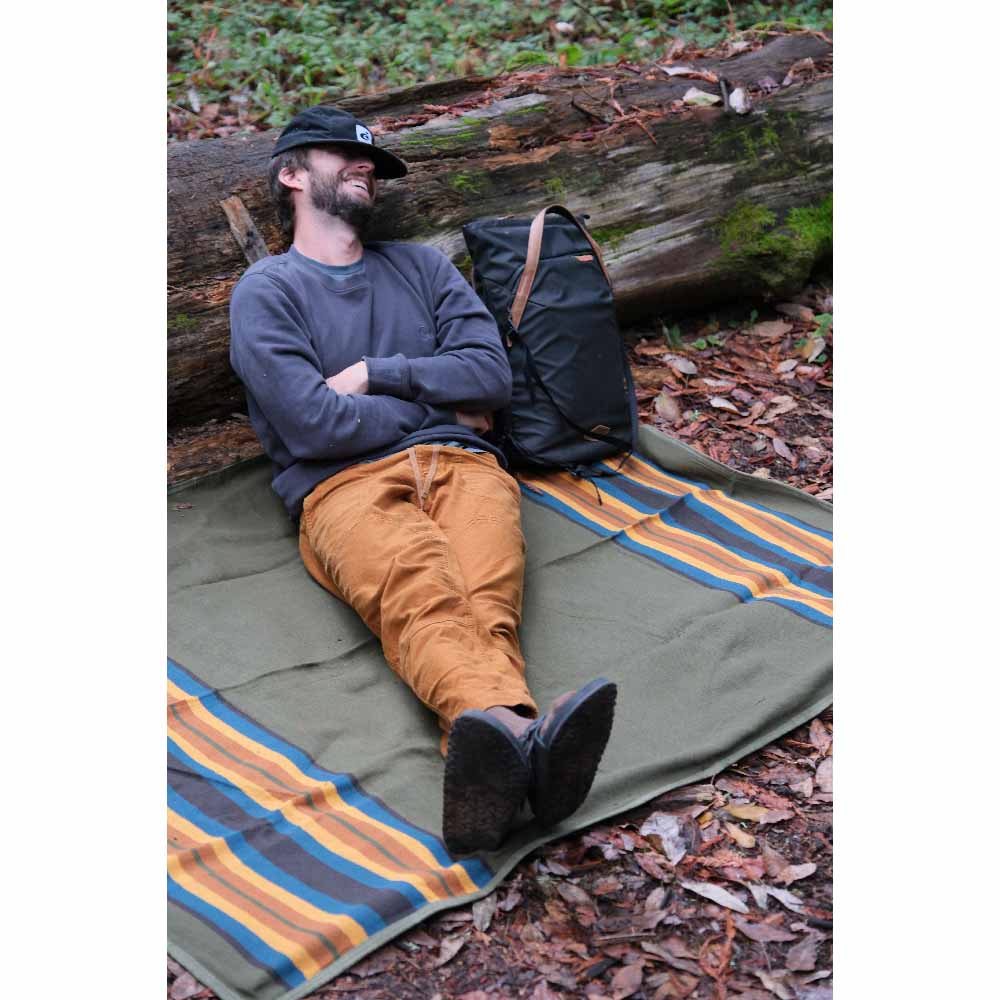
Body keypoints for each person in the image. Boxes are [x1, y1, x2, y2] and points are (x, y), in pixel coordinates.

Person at [229, 105, 617, 854]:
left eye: (371, 161)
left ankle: (493, 756)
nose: (364, 167)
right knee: (420, 589)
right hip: (342, 485)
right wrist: (439, 408)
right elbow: (313, 427)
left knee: (485, 599)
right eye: (342, 154)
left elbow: (490, 377)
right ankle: (523, 737)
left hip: (467, 464)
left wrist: (375, 375)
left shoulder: (422, 267)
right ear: (291, 175)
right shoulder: (267, 291)